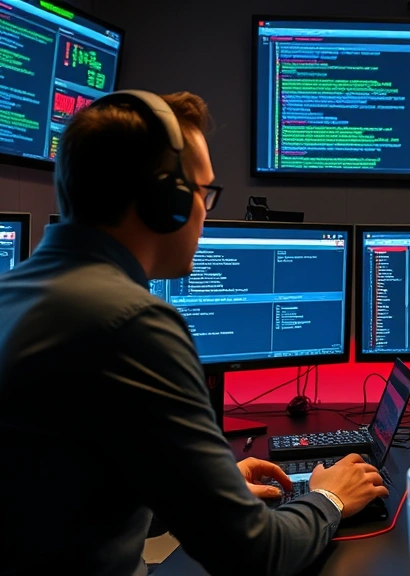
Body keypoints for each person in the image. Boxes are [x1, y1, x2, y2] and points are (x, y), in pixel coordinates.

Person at [0, 91, 387, 576]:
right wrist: (331, 497)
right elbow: (257, 555)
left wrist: (203, 489)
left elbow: (59, 491)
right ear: (169, 203)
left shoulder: (11, 294)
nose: (205, 211)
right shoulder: (134, 322)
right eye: (203, 193)